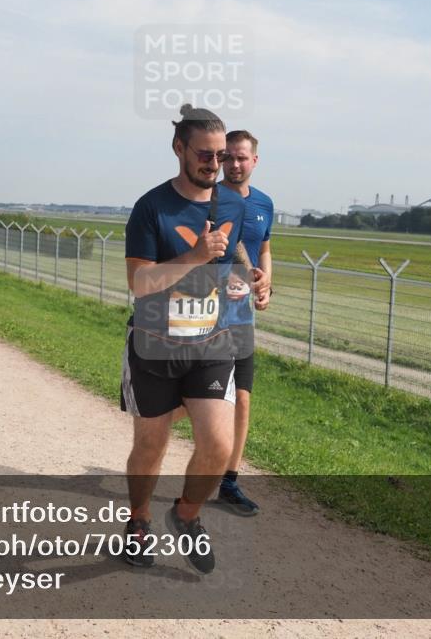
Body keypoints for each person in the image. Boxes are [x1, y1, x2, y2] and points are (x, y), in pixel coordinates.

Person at [121, 104, 264, 575]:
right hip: (154, 345)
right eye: (205, 154)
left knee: (219, 445)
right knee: (151, 445)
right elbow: (139, 282)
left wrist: (252, 276)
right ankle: (139, 520)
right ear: (179, 148)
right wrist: (195, 256)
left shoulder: (233, 204)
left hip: (211, 342)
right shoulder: (151, 207)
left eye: (221, 155)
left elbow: (233, 250)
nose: (215, 164)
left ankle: (185, 514)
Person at [215, 130, 273, 515]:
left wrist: (266, 284)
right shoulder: (210, 198)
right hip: (204, 308)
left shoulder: (264, 203)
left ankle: (229, 481)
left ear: (254, 160)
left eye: (241, 158)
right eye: (229, 157)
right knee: (196, 396)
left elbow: (264, 248)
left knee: (243, 397)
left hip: (240, 312)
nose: (234, 164)